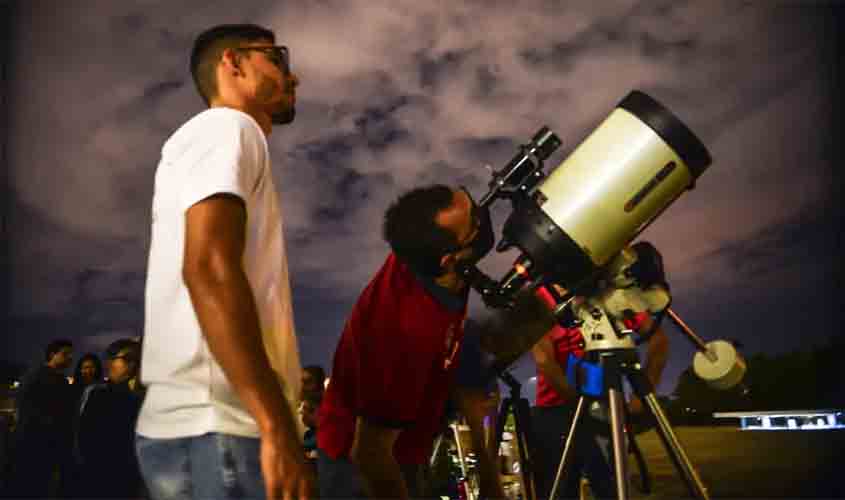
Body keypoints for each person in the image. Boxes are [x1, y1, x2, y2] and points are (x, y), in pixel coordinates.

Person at [135, 23, 311, 500]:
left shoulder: (216, 136)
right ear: (233, 63)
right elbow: (208, 269)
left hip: (209, 428)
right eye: (277, 58)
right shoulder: (228, 127)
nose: (293, 76)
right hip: (223, 429)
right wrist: (275, 425)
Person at [316, 184, 505, 499]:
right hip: (360, 466)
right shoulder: (404, 333)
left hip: (405, 442)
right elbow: (370, 455)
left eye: (470, 202)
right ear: (449, 259)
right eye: (474, 222)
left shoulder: (423, 254)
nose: (482, 216)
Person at [530, 283, 670, 499]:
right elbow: (544, 359)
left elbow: (658, 339)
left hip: (604, 407)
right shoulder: (542, 296)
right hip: (556, 412)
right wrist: (581, 404)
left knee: (610, 489)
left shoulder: (611, 294)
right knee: (559, 491)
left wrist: (642, 394)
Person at [73, 339, 145, 498]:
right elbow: (84, 438)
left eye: (114, 358)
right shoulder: (97, 394)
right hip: (100, 478)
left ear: (133, 363)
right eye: (109, 358)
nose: (109, 364)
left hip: (126, 480)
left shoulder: (141, 399)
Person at [7, 339, 75, 498]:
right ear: (52, 354)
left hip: (44, 443)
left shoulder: (55, 378)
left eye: (70, 354)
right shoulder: (37, 377)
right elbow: (26, 408)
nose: (70, 358)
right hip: (36, 443)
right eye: (65, 354)